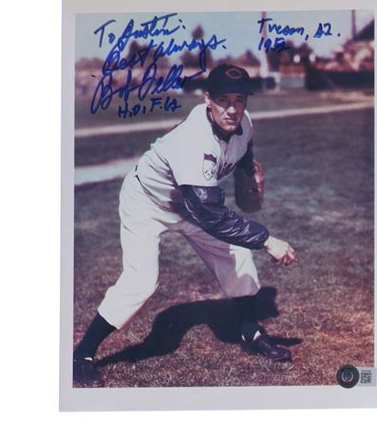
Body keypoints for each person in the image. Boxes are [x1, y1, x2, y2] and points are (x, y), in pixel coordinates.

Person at [73, 64, 297, 386]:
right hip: (147, 201)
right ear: (207, 98)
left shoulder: (244, 124)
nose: (232, 109)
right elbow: (208, 214)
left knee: (237, 255)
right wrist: (266, 239)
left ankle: (251, 331)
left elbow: (244, 152)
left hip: (190, 202)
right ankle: (82, 353)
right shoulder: (193, 140)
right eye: (223, 100)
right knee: (141, 281)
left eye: (239, 99)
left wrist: (247, 171)